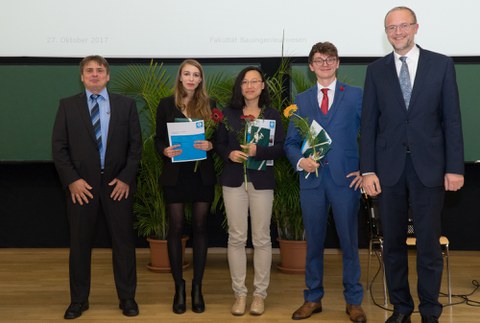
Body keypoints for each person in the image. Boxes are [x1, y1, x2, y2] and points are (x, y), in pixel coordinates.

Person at [360, 6, 464, 323]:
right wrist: (367, 170)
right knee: (391, 245)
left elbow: (452, 121)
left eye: (403, 26)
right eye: (391, 28)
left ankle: (430, 310)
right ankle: (402, 308)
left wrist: (455, 167)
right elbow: (368, 124)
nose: (398, 32)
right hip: (388, 170)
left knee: (429, 246)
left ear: (416, 28)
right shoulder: (375, 71)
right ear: (386, 32)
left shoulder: (441, 65)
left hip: (430, 168)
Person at [52, 55, 142, 319]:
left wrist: (126, 177)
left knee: (123, 245)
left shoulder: (126, 106)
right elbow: (59, 148)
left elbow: (135, 147)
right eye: (89, 70)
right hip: (82, 188)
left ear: (107, 75)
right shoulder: (67, 106)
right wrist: (72, 180)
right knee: (79, 245)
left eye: (99, 70)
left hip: (117, 186)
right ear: (81, 76)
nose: (94, 74)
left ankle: (127, 298)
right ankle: (79, 301)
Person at [284, 42, 366, 322]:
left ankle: (354, 301)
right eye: (319, 60)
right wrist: (300, 161)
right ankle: (313, 298)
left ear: (338, 62)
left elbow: (370, 135)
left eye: (330, 59)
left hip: (346, 181)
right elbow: (291, 142)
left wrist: (365, 170)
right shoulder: (302, 100)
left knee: (349, 242)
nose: (325, 64)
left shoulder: (355, 96)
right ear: (311, 66)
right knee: (314, 242)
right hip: (312, 182)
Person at [215, 66, 285, 316]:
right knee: (236, 237)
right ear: (240, 86)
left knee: (262, 238)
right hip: (233, 181)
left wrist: (259, 151)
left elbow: (280, 149)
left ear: (262, 86)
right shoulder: (228, 114)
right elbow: (219, 144)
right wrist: (229, 153)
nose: (250, 86)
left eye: (255, 81)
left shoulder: (273, 115)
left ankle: (259, 295)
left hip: (261, 182)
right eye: (245, 82)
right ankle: (239, 294)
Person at [154, 59, 216, 314]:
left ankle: (197, 287)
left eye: (196, 75)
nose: (191, 79)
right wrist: (165, 150)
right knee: (176, 227)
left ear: (201, 80)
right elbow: (158, 139)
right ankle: (179, 286)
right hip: (176, 175)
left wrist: (210, 145)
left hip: (201, 175)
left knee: (201, 227)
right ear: (180, 77)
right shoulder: (166, 104)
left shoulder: (210, 105)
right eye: (187, 74)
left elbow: (217, 138)